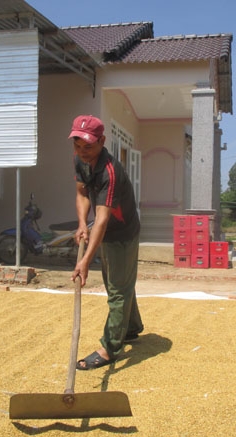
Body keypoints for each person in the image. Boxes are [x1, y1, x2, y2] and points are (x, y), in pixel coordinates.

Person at [69, 115, 144, 370]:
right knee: (120, 281)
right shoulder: (81, 160)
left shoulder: (109, 172)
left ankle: (110, 347)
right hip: (106, 230)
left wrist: (85, 261)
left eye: (88, 147)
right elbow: (81, 193)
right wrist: (81, 224)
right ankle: (132, 328)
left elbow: (101, 220)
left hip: (122, 232)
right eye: (77, 146)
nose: (82, 152)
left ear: (102, 141)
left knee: (117, 289)